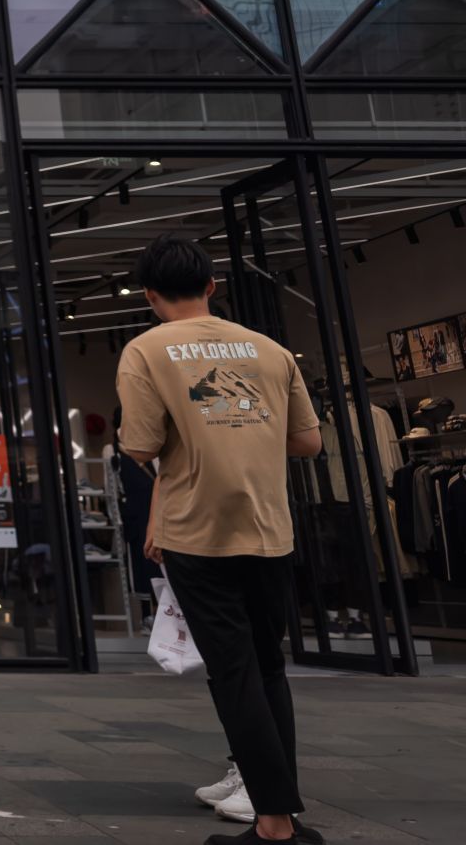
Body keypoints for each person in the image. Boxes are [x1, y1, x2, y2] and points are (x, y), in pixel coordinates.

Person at [116, 235, 325, 845]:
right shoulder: (270, 350)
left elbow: (140, 446)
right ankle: (281, 818)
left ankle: (274, 822)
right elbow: (309, 442)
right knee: (267, 668)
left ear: (151, 296)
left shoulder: (145, 349)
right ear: (212, 287)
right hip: (269, 528)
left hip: (196, 529)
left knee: (233, 672)